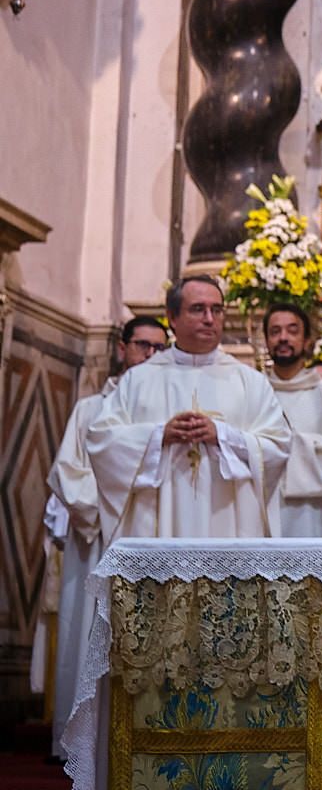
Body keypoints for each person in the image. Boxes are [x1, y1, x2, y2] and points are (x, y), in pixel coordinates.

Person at [42, 315, 167, 756]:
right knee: (88, 632)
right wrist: (110, 508)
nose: (150, 355)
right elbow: (67, 472)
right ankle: (79, 743)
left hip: (149, 537)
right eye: (143, 345)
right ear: (122, 348)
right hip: (99, 539)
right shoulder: (91, 409)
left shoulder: (166, 411)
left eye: (160, 348)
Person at [86, 278, 292, 541]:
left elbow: (278, 445)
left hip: (228, 528)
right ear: (172, 317)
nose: (209, 319)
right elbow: (102, 441)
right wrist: (158, 436)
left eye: (217, 310)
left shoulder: (250, 382)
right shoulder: (138, 380)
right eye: (198, 309)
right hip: (158, 532)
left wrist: (223, 436)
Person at [264, 304, 322, 537]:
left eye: (292, 330)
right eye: (275, 331)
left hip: (313, 516)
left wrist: (279, 446)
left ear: (306, 341)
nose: (283, 337)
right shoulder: (255, 393)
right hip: (260, 510)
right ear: (266, 341)